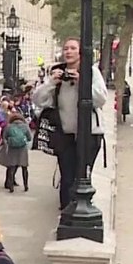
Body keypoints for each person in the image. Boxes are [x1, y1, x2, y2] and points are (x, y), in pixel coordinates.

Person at [32, 38, 108, 210]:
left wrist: (82, 82)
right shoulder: (56, 72)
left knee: (83, 175)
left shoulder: (91, 72)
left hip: (89, 133)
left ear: (80, 52)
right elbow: (38, 100)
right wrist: (51, 83)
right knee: (66, 176)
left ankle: (83, 208)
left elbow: (101, 99)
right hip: (64, 134)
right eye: (66, 48)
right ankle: (66, 210)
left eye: (73, 48)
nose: (68, 52)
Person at [0, 113, 32, 192]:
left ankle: (11, 186)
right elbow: (29, 138)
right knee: (24, 168)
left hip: (12, 149)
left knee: (11, 167)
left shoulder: (9, 126)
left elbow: (4, 137)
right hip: (23, 149)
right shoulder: (25, 126)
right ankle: (26, 185)